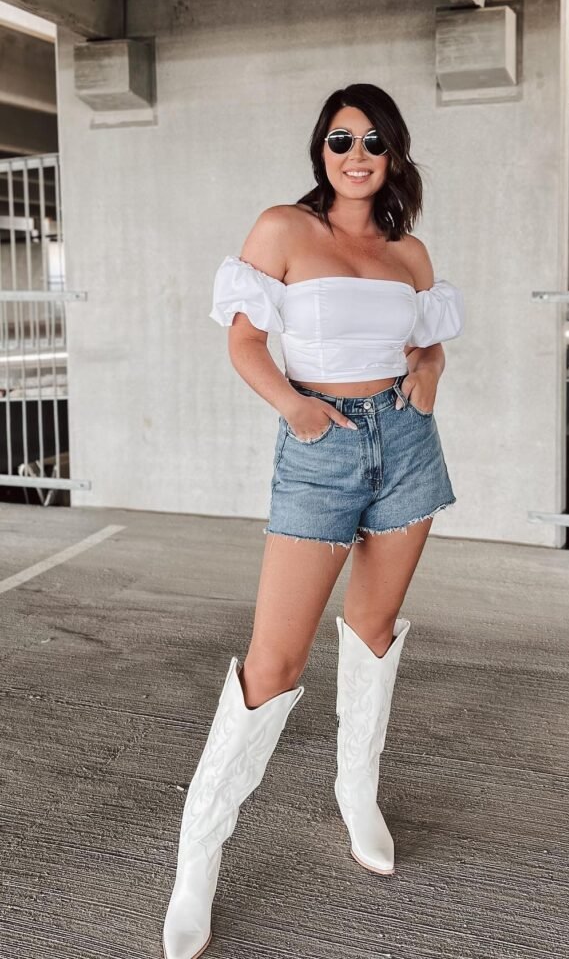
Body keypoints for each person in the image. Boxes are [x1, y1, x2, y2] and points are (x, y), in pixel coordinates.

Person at [162, 83, 465, 959]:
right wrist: (293, 408)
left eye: (373, 139)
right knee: (274, 661)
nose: (356, 152)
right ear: (320, 149)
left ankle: (354, 790)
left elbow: (428, 336)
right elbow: (246, 340)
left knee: (372, 627)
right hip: (321, 446)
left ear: (394, 152)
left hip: (406, 446)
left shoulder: (408, 251)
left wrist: (430, 372)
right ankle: (197, 865)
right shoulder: (282, 230)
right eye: (340, 139)